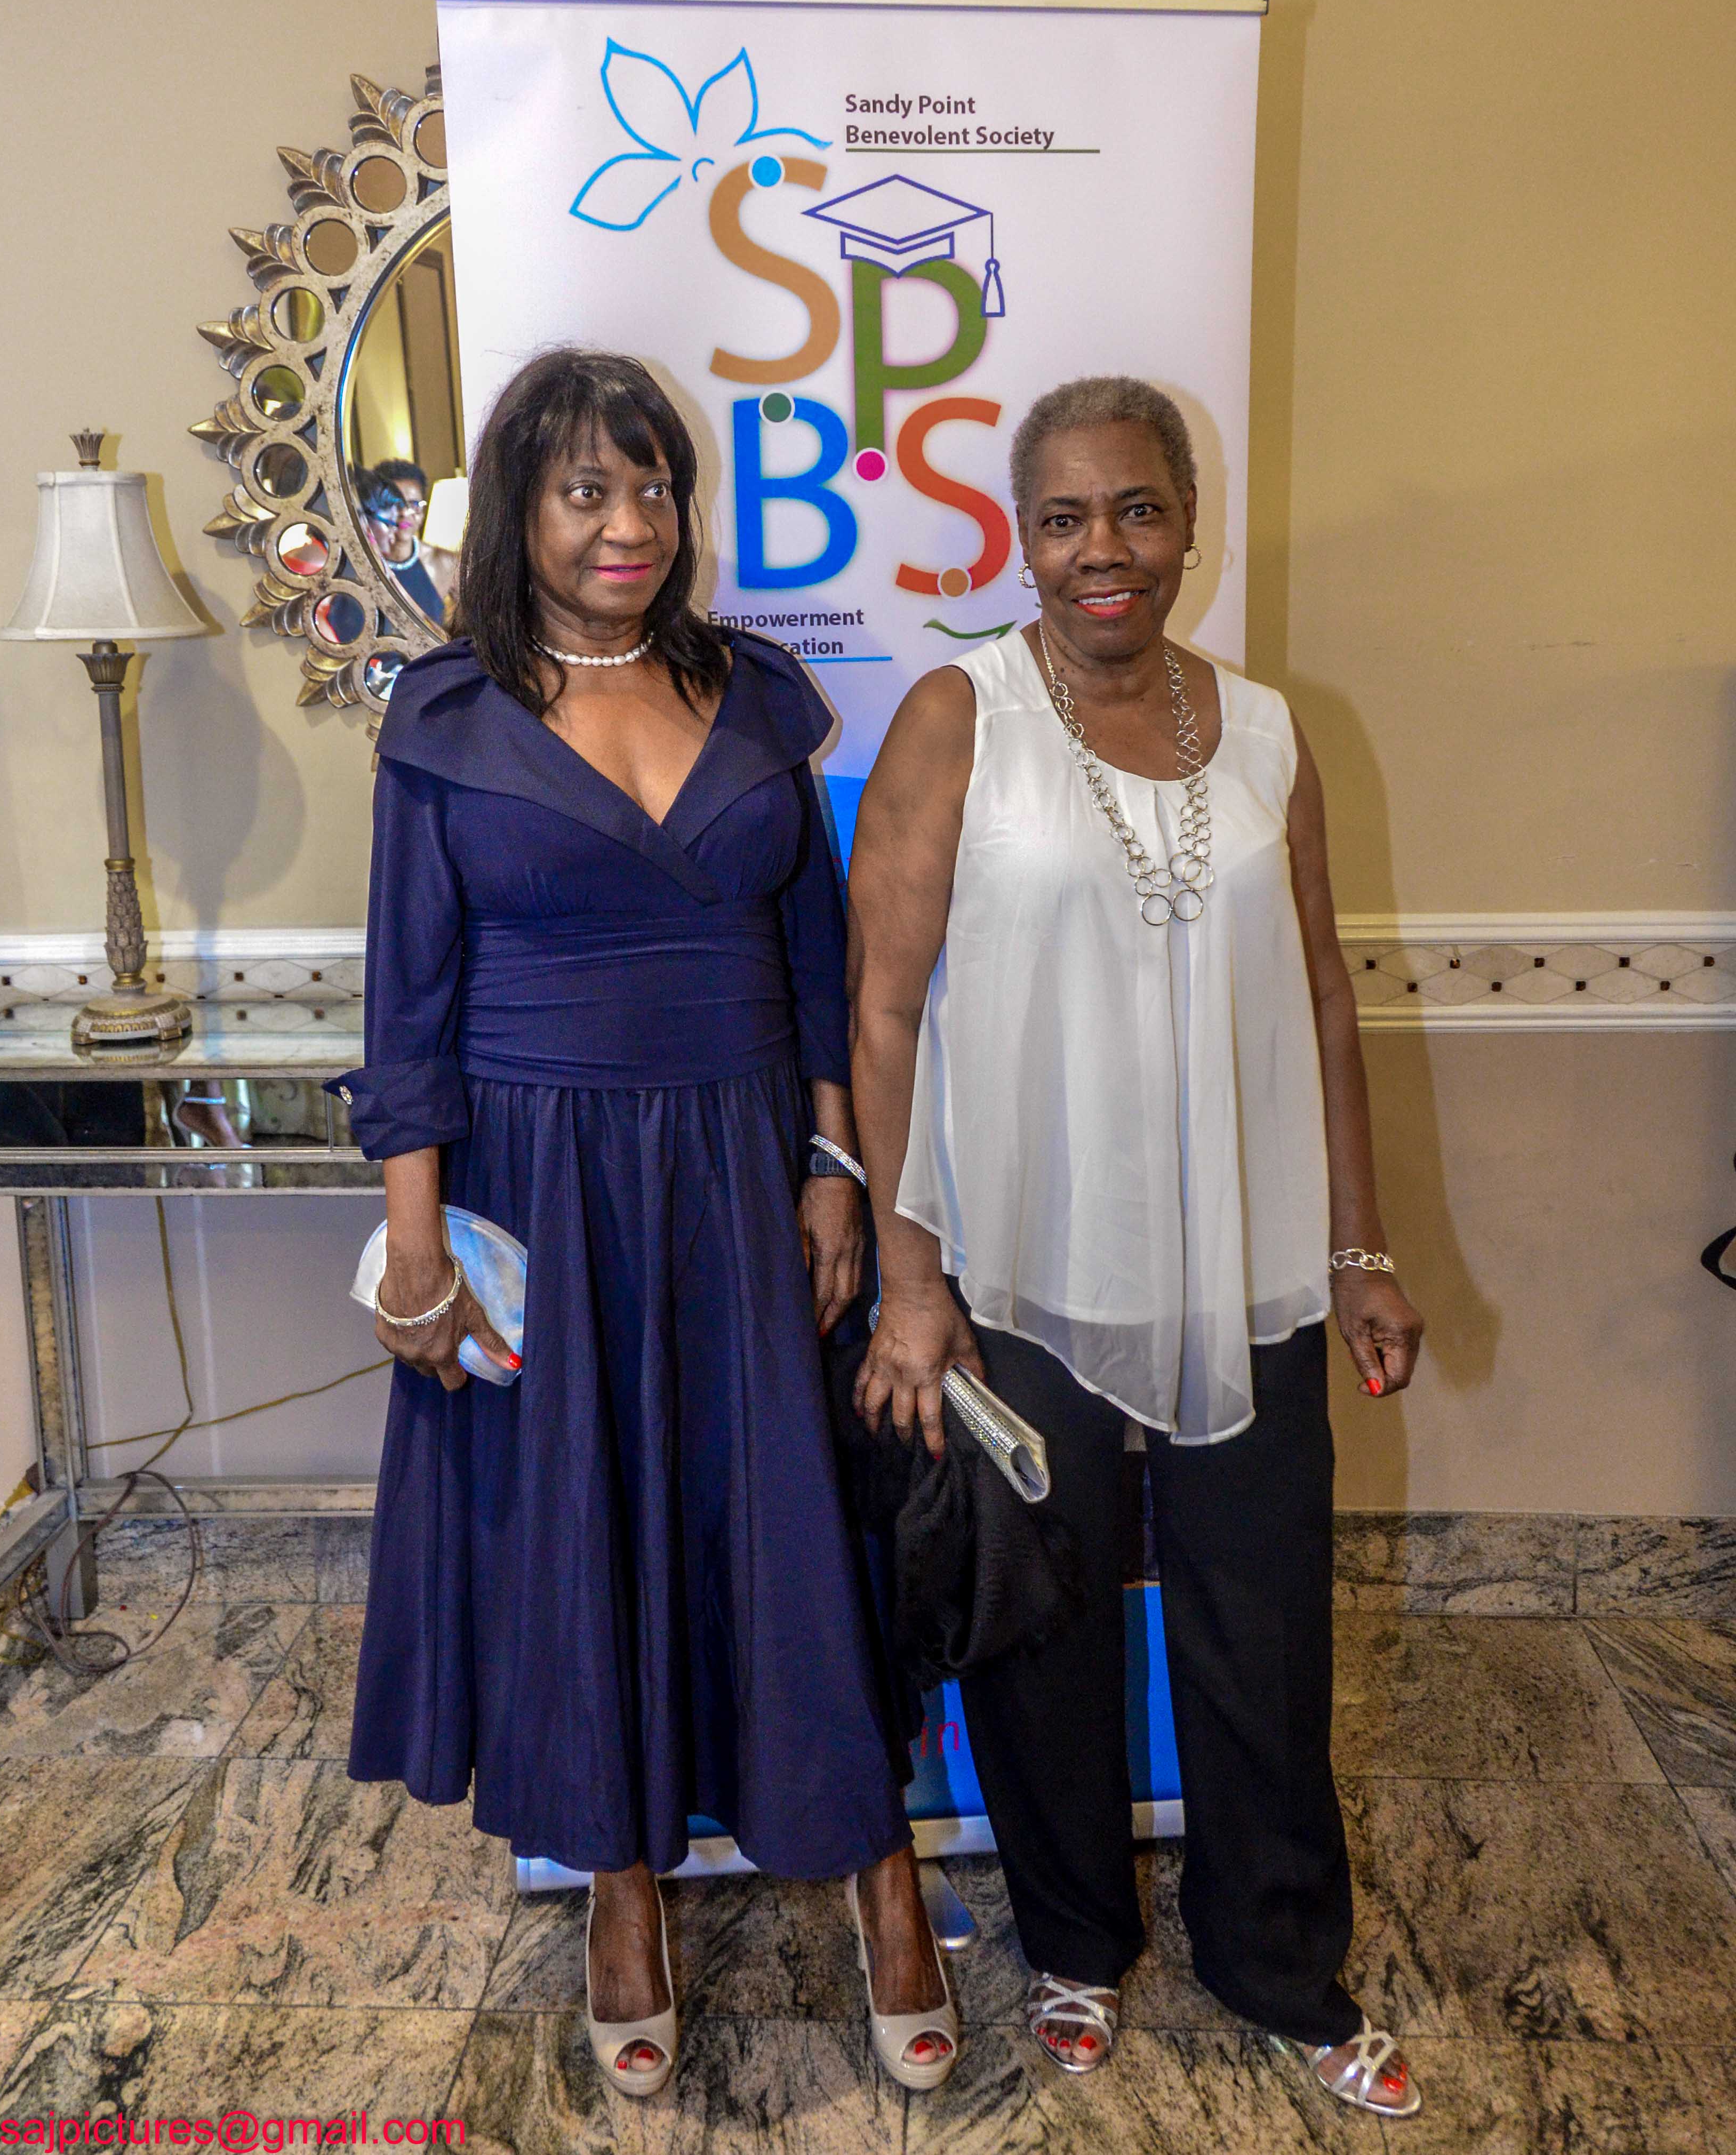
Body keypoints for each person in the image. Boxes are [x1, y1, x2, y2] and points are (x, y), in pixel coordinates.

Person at [330, 349, 957, 2097]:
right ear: (520, 512)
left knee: (793, 1526)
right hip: (541, 1180)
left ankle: (882, 1875)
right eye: (586, 490)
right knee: (585, 1531)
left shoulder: (755, 694)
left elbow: (817, 959)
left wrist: (835, 1165)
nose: (629, 523)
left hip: (747, 1172)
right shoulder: (446, 718)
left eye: (654, 486)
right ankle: (621, 1883)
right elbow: (407, 1004)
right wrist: (415, 1247)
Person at [846, 375, 1426, 2121]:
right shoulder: (957, 716)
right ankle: (1078, 1944)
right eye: (1065, 517)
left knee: (1267, 1624)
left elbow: (1321, 991)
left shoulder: (1267, 731)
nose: (1104, 548)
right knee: (1043, 1631)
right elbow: (882, 1013)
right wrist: (912, 1278)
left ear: (1187, 524)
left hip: (1248, 1266)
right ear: (1021, 539)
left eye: (1137, 509)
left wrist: (1361, 1248)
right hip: (1026, 1264)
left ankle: (1279, 1963)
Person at [357, 459, 445, 624]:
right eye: (396, 504)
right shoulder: (357, 563)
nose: (404, 512)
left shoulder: (445, 563)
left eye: (414, 504)